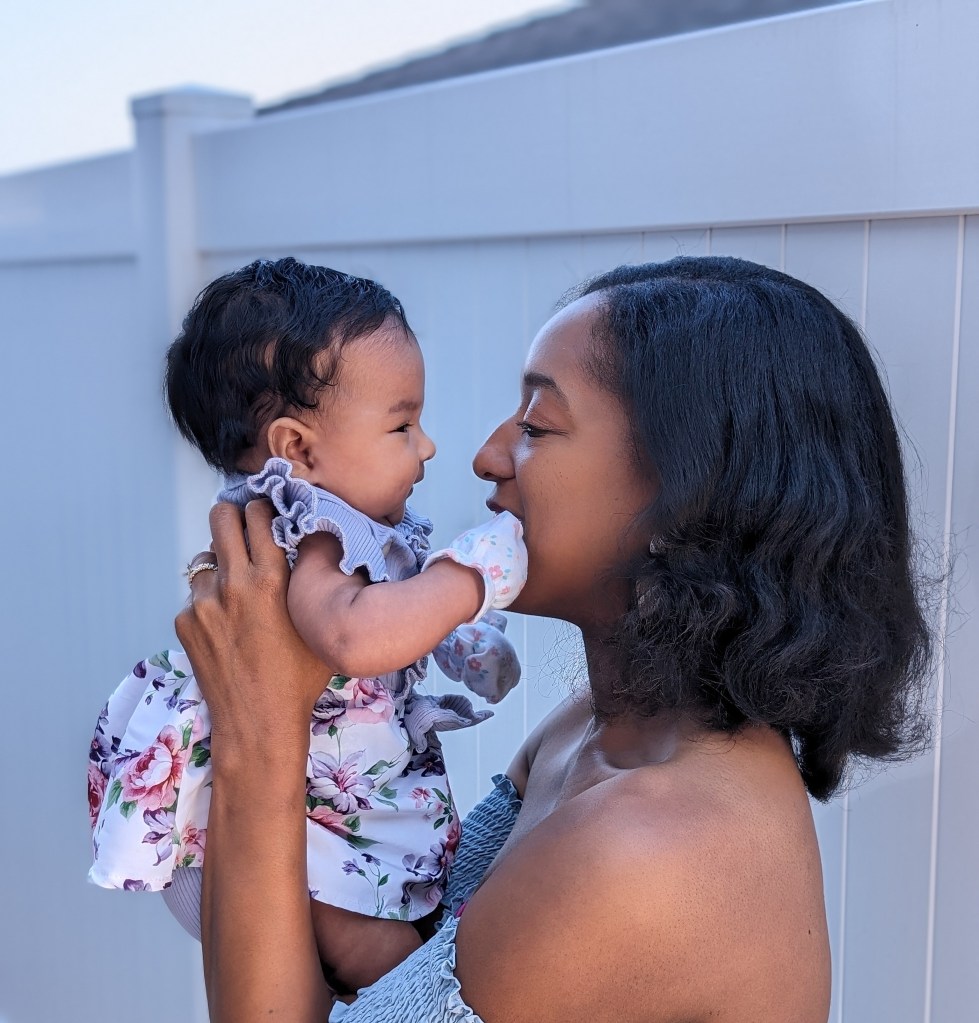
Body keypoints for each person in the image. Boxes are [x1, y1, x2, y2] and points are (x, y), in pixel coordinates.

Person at [175, 256, 932, 1022]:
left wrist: (257, 731)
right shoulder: (586, 732)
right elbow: (375, 985)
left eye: (536, 426)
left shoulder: (642, 849)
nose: (485, 456)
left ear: (682, 500)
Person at [87, 258, 529, 993]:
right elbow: (352, 634)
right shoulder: (312, 524)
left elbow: (387, 599)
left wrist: (456, 638)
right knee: (390, 964)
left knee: (394, 940)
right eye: (402, 425)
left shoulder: (334, 518)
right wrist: (468, 580)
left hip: (311, 796)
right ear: (297, 449)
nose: (426, 446)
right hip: (303, 811)